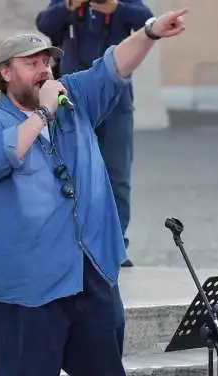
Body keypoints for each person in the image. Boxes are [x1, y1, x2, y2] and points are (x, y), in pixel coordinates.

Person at [0, 8, 188, 376]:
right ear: (6, 72)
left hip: (90, 268)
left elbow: (114, 65)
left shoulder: (75, 100)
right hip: (26, 280)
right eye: (31, 62)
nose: (44, 70)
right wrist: (41, 114)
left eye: (47, 61)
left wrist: (150, 32)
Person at [36, 0, 155, 267]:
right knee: (71, 172)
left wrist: (116, 9)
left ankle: (116, 245)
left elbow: (146, 19)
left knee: (117, 175)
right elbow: (44, 23)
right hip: (71, 101)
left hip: (117, 103)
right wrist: (70, 7)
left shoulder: (122, 3)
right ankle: (74, 243)